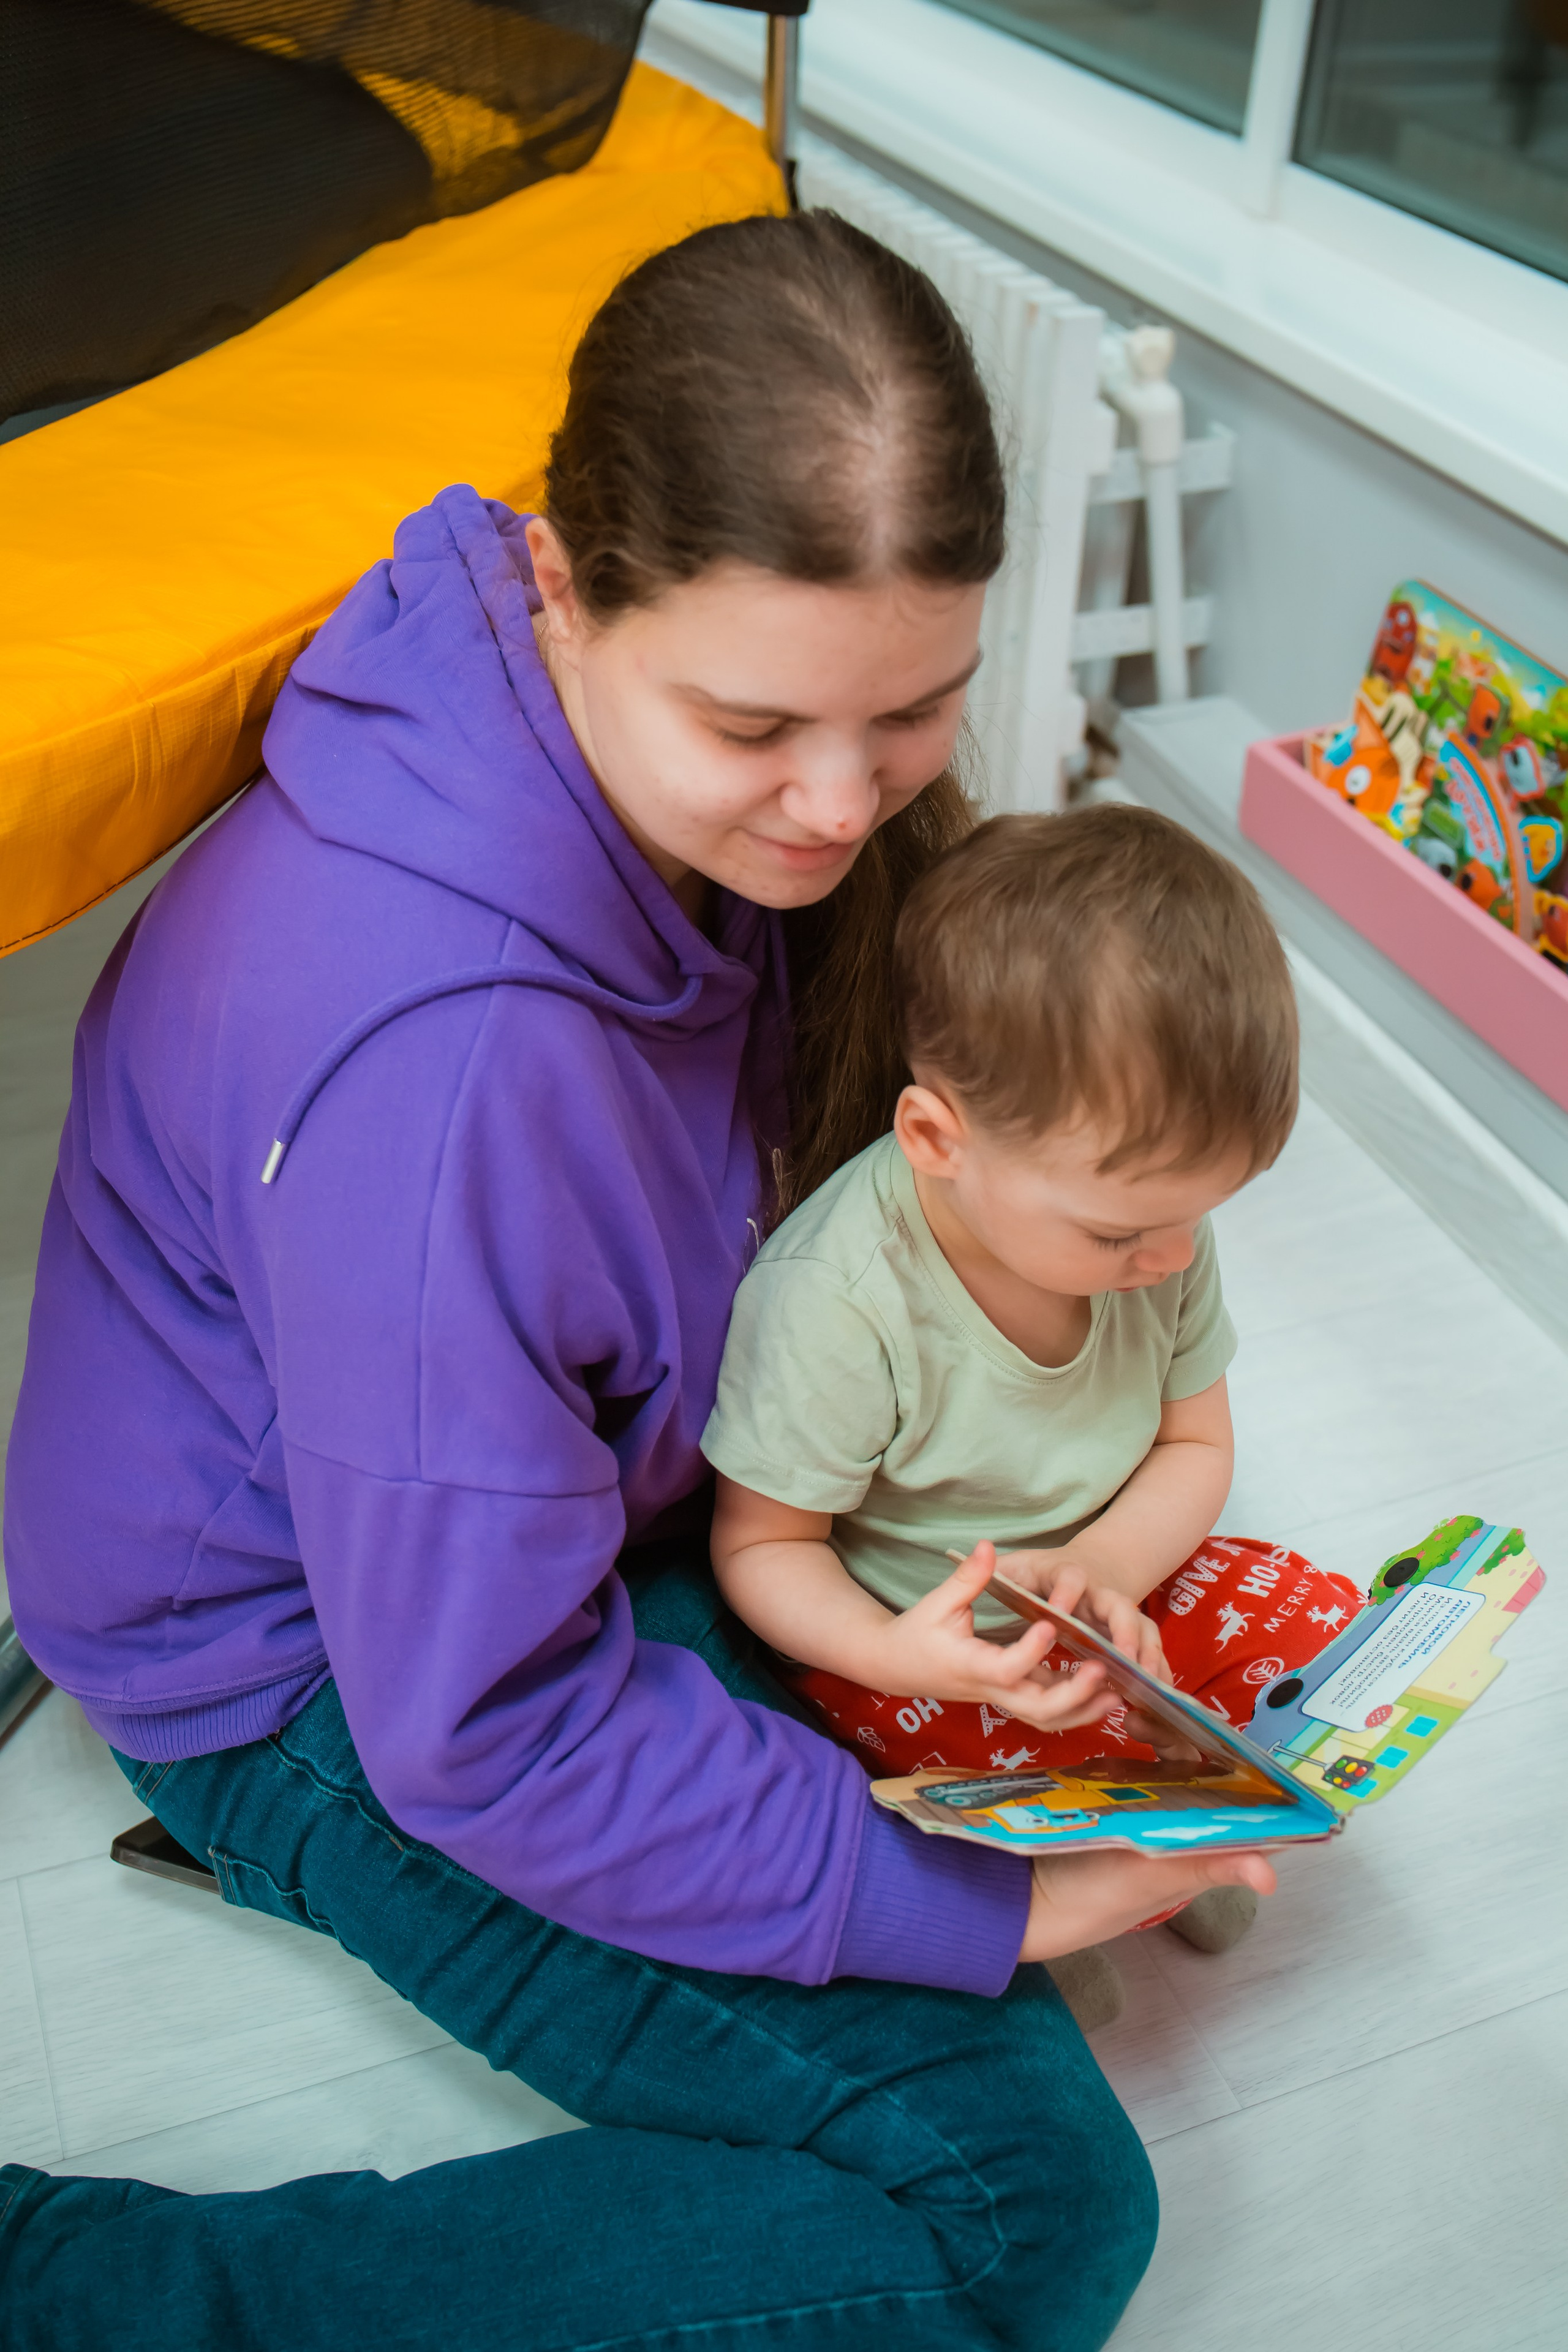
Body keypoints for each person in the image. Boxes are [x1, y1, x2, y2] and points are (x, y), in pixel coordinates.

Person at [1, 213, 1270, 2351]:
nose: (842, 804)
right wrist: (989, 1897)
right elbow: (487, 1726)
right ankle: (83, 2295)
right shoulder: (449, 1063)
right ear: (565, 581)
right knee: (1018, 2212)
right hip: (326, 1670)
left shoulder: (718, 805)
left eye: (916, 714)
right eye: (756, 723)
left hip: (567, 1515)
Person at [704, 805, 1364, 2014]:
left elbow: (1191, 1440)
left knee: (1328, 1641)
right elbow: (759, 1546)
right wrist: (896, 1652)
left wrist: (1104, 1564)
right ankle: (1074, 1900)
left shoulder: (1154, 1237)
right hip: (916, 1641)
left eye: (1196, 1213)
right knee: (928, 1770)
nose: (1169, 1256)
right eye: (1118, 1230)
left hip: (1109, 1593)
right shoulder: (840, 1300)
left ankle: (1171, 1834)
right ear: (934, 1137)